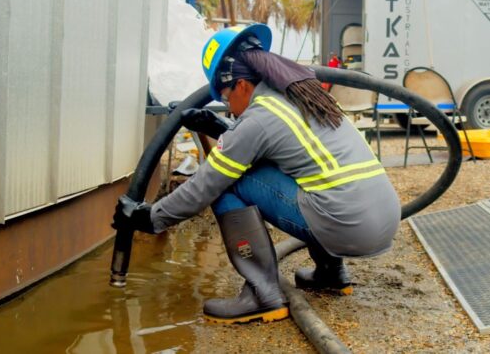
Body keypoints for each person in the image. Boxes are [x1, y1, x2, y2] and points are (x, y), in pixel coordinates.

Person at [114, 24, 401, 325]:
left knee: (227, 183)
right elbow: (275, 148)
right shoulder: (300, 95)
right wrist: (220, 128)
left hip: (347, 226)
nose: (229, 107)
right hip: (381, 218)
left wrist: (150, 218)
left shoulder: (260, 117)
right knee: (313, 180)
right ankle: (330, 272)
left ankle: (262, 294)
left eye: (225, 98)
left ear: (240, 85)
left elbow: (206, 184)